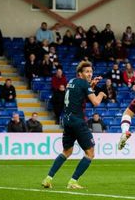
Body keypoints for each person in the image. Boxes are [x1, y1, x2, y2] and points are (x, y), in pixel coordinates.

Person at [41, 61, 107, 189]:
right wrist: (101, 94)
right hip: (78, 121)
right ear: (80, 73)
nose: (90, 74)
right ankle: (73, 181)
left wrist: (91, 85)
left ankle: (48, 179)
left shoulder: (71, 82)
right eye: (87, 72)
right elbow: (95, 102)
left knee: (67, 151)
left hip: (67, 120)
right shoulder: (83, 83)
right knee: (90, 153)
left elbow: (80, 95)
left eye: (91, 71)